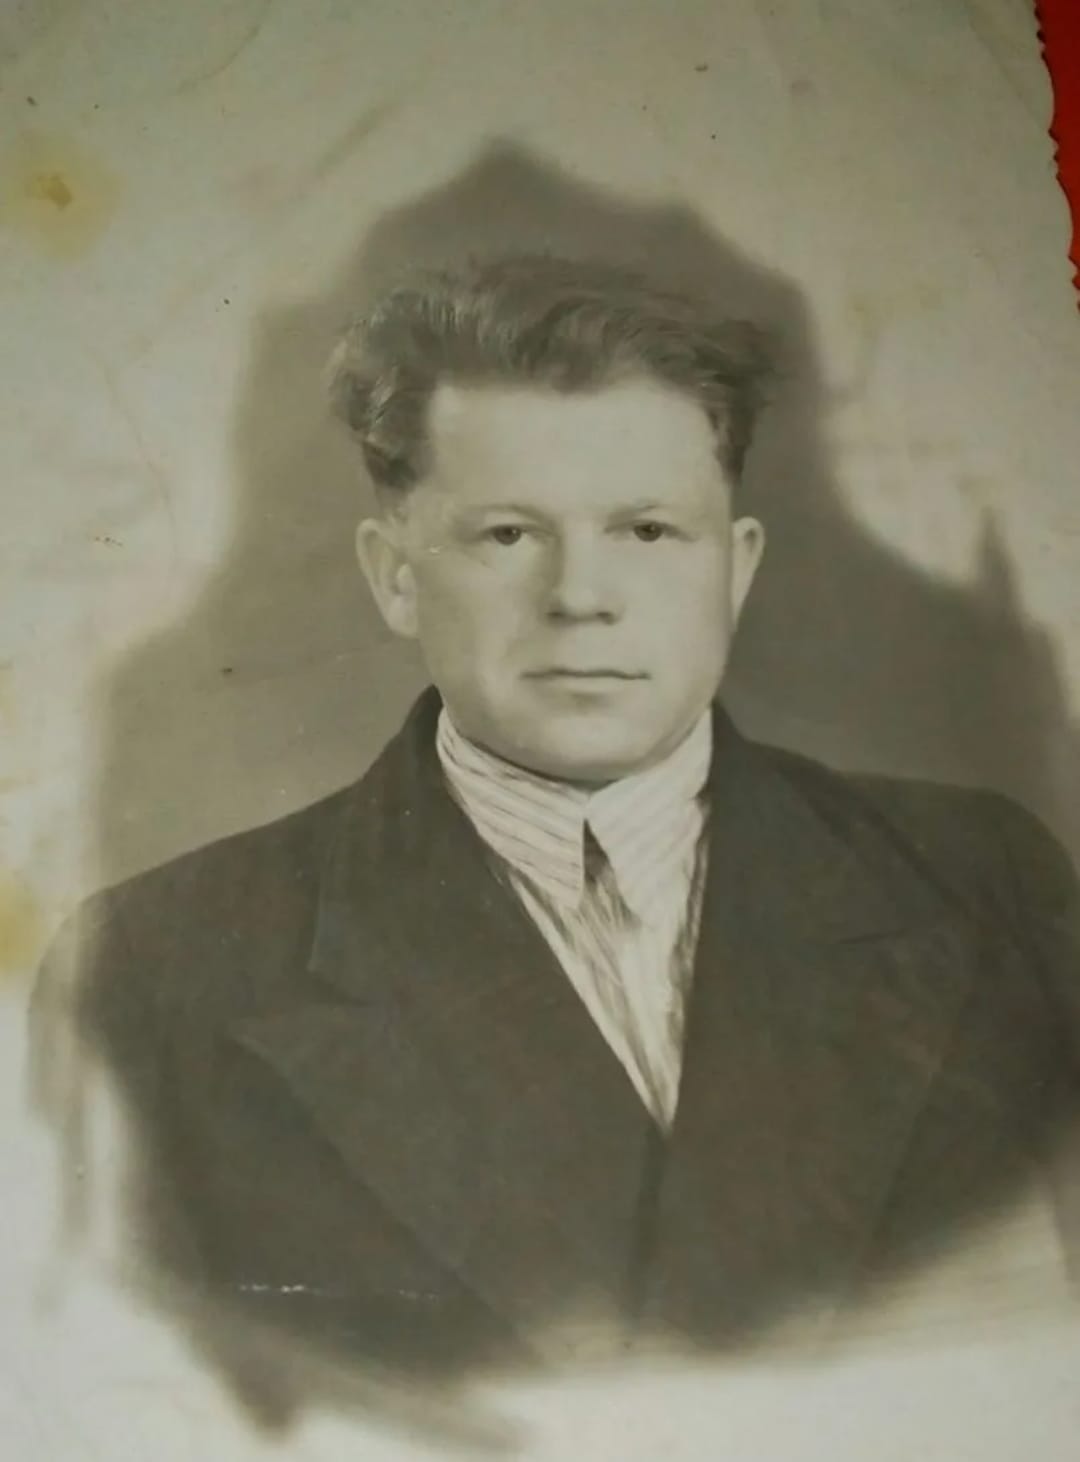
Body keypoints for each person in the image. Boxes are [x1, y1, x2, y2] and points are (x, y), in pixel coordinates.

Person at [49, 255, 1080, 1414]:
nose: (581, 594)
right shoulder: (160, 968)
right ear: (395, 576)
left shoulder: (983, 882)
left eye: (647, 530)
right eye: (505, 535)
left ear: (736, 568)